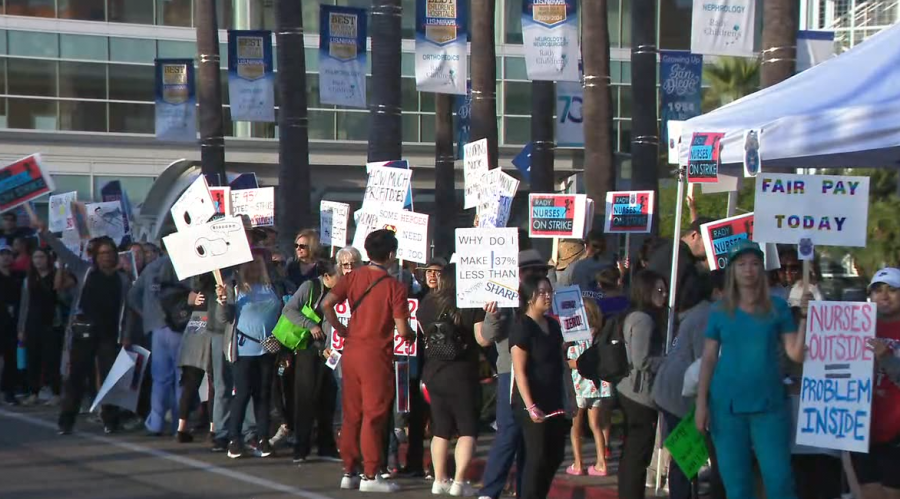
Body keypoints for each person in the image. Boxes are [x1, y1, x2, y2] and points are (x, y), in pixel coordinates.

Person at [695, 240, 808, 499]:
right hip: (727, 406)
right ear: (732, 270)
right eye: (742, 264)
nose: (749, 269)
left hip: (770, 404)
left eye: (755, 263)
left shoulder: (778, 307)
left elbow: (795, 353)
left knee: (779, 480)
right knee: (736, 484)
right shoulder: (719, 310)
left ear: (763, 269)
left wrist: (803, 318)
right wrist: (701, 404)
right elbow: (709, 357)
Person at [322, 229, 413, 493]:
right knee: (375, 414)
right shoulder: (395, 287)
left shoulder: (353, 277)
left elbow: (327, 303)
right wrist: (411, 336)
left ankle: (349, 470)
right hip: (377, 354)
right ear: (392, 255)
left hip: (351, 351)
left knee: (352, 414)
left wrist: (341, 328)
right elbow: (402, 328)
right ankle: (371, 474)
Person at [38, 228, 132, 434]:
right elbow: (63, 252)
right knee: (76, 378)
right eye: (103, 253)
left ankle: (110, 420)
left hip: (109, 336)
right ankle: (66, 422)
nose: (107, 257)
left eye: (110, 253)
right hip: (84, 333)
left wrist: (125, 336)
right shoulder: (85, 271)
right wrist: (44, 232)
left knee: (110, 379)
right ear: (96, 256)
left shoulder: (123, 280)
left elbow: (128, 311)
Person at [477, 249, 551, 499]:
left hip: (541, 374)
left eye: (540, 271)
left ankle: (525, 489)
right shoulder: (506, 300)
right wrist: (492, 314)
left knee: (532, 438)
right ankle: (489, 492)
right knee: (508, 433)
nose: (537, 276)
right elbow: (487, 338)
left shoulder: (547, 298)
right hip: (511, 373)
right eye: (530, 271)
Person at [652, 271, 726, 499]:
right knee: (686, 457)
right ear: (716, 292)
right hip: (680, 391)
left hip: (674, 388)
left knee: (686, 456)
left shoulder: (700, 312)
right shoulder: (708, 315)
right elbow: (705, 361)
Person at [418, 264, 485, 496]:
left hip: (433, 372)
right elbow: (482, 338)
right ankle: (459, 481)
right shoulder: (469, 303)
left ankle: (439, 480)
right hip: (462, 372)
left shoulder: (426, 302)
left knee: (440, 428)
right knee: (467, 429)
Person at [219, 250, 287, 459]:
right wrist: (222, 301)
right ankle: (234, 439)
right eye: (251, 265)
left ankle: (263, 439)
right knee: (242, 394)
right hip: (243, 349)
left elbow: (282, 311)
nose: (255, 268)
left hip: (268, 347)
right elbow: (225, 318)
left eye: (258, 264)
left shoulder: (272, 287)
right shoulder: (234, 288)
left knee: (264, 395)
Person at [509, 275, 566, 499]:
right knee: (537, 456)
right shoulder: (522, 326)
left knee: (556, 454)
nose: (547, 295)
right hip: (530, 400)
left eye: (549, 291)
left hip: (554, 398)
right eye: (542, 292)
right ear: (530, 296)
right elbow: (520, 371)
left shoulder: (552, 324)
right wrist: (530, 405)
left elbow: (559, 362)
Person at [282, 259, 341, 463]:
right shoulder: (311, 287)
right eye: (338, 277)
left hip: (331, 350)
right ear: (326, 276)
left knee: (328, 397)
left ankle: (326, 445)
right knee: (305, 398)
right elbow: (289, 310)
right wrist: (310, 325)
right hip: (308, 348)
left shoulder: (343, 293)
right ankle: (301, 447)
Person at [617, 270, 667, 499]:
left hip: (632, 391)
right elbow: (641, 360)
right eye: (659, 290)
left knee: (633, 454)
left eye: (664, 289)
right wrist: (668, 360)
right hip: (639, 393)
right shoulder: (643, 319)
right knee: (638, 454)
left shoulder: (638, 316)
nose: (664, 295)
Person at [852, 267, 900, 499]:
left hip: (896, 432)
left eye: (892, 290)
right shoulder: (855, 327)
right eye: (878, 290)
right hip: (862, 429)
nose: (884, 295)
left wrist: (887, 358)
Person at [128, 252, 184, 436]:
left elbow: (133, 296)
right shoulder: (187, 262)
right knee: (180, 378)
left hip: (157, 328)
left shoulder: (151, 268)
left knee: (161, 378)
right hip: (180, 328)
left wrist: (147, 316)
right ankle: (178, 423)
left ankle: (156, 423)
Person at [566, 299, 612, 478]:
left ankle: (578, 463)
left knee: (576, 426)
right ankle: (601, 462)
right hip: (598, 386)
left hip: (580, 386)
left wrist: (565, 361)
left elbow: (575, 363)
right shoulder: (600, 336)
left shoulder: (576, 338)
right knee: (596, 425)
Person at [17, 247, 64, 406]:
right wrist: (21, 328)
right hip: (32, 323)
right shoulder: (29, 278)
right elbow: (25, 304)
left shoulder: (55, 275)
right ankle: (34, 392)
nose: (38, 260)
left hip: (51, 323)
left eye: (41, 257)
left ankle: (56, 392)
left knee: (52, 360)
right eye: (35, 257)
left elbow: (61, 297)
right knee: (33, 360)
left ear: (47, 258)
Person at [646, 218, 711, 312]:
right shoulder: (680, 257)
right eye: (709, 242)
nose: (711, 249)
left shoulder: (671, 250)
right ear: (694, 236)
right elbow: (687, 296)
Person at [0, 243, 24, 405]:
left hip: (14, 322)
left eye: (9, 253)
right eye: (2, 254)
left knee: (11, 359)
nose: (6, 257)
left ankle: (9, 392)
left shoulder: (19, 276)